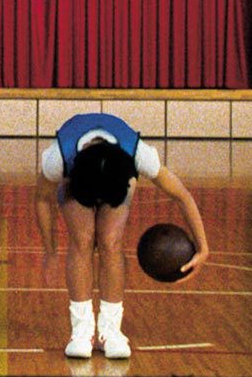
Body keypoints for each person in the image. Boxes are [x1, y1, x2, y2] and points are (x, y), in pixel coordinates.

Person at [34, 112, 209, 359]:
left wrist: (203, 248)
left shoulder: (139, 155)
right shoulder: (58, 159)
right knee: (82, 239)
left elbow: (182, 195)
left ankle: (110, 331)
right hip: (78, 176)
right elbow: (42, 199)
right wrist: (50, 251)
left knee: (110, 240)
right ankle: (82, 332)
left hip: (114, 173)